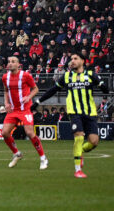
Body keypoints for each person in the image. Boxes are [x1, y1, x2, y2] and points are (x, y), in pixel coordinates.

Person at [37, 49, 109, 177]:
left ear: (83, 61)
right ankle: (78, 170)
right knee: (79, 136)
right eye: (72, 59)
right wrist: (38, 101)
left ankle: (79, 152)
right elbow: (52, 90)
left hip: (90, 112)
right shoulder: (66, 76)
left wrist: (103, 86)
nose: (73, 61)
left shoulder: (91, 75)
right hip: (74, 112)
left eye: (76, 59)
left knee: (94, 142)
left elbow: (105, 89)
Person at [1, 55, 48, 170]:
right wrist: (6, 103)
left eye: (13, 61)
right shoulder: (5, 77)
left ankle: (43, 158)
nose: (10, 63)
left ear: (18, 65)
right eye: (9, 61)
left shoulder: (25, 75)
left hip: (25, 109)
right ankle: (17, 154)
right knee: (4, 133)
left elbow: (36, 89)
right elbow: (6, 91)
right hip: (13, 110)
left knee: (29, 133)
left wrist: (28, 97)